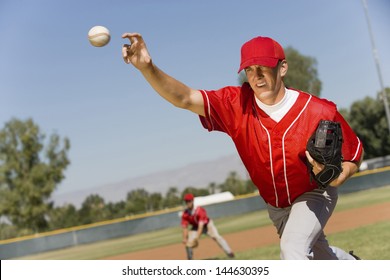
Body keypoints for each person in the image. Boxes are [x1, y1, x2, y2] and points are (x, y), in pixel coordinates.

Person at [121, 33, 364, 260]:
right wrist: (147, 68)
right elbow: (184, 98)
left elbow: (354, 154)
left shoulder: (318, 110)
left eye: (263, 68)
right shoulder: (235, 104)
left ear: (282, 67)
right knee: (319, 256)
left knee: (292, 248)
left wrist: (337, 178)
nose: (256, 76)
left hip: (313, 193)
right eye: (249, 69)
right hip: (275, 204)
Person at [181, 193, 234, 260]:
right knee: (188, 243)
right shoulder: (185, 213)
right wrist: (185, 238)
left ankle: (230, 253)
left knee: (217, 237)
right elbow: (184, 227)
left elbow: (201, 226)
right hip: (195, 227)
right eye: (186, 201)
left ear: (192, 201)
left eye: (189, 201)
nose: (188, 203)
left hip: (207, 225)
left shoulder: (199, 210)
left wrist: (197, 237)